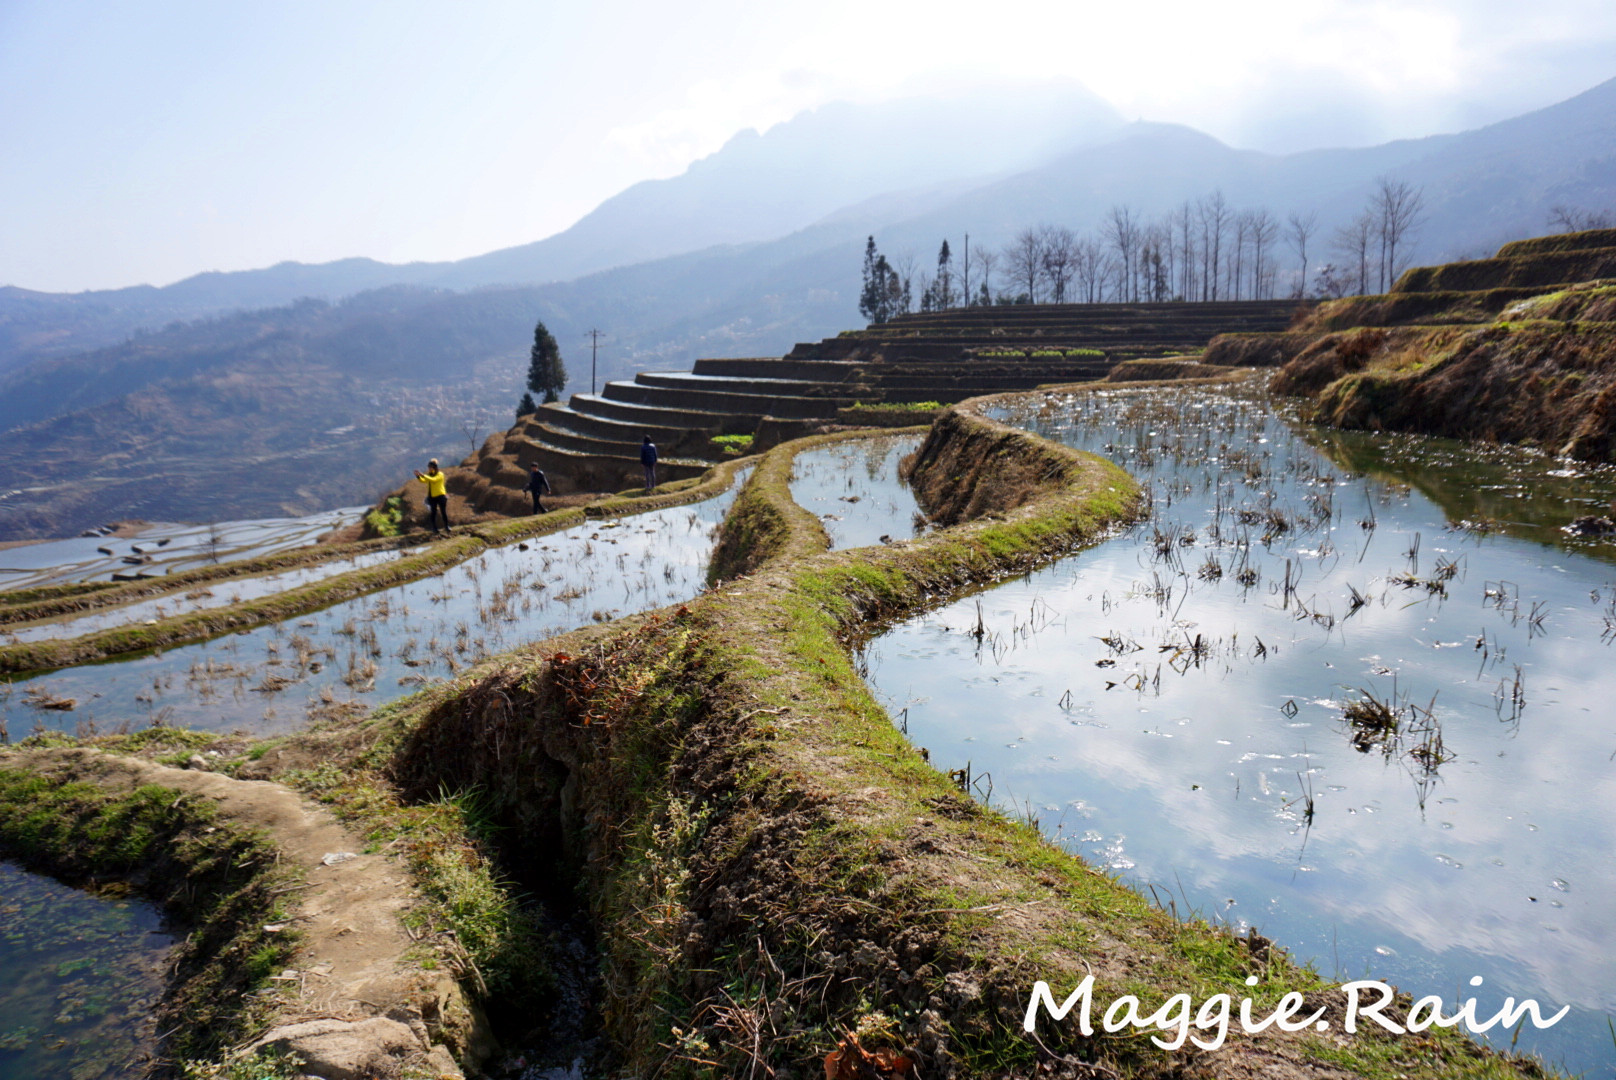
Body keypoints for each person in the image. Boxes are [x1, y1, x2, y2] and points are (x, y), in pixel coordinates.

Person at [414, 458, 450, 534]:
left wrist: (423, 475)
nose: (429, 469)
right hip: (432, 497)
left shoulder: (440, 474)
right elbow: (423, 480)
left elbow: (433, 480)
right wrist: (418, 476)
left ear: (434, 467)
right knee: (433, 512)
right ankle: (434, 528)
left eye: (430, 467)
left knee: (443, 511)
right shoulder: (429, 475)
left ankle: (446, 526)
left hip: (441, 495)